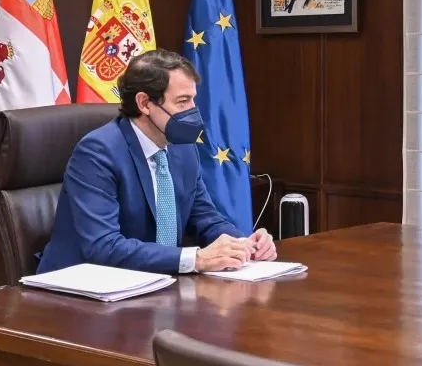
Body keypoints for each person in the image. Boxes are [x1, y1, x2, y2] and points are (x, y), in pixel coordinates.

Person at [37, 49, 276, 275]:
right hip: (79, 291)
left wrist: (243, 245)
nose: (193, 111)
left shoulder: (183, 148)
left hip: (152, 284)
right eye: (182, 102)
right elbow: (103, 246)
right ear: (145, 104)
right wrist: (196, 259)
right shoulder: (98, 153)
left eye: (193, 100)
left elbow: (203, 217)